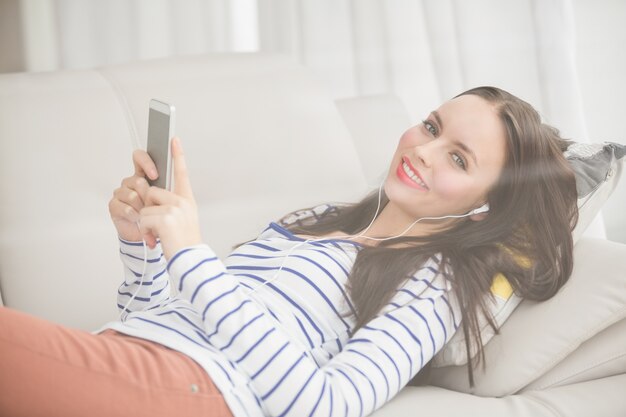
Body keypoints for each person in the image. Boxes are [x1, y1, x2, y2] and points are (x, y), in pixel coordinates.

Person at [0, 86, 578, 417]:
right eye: (431, 126)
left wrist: (192, 255)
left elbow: (321, 406)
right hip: (132, 355)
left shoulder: (437, 284)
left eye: (459, 158)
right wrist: (142, 243)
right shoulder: (316, 224)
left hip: (196, 390)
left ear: (484, 207)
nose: (425, 150)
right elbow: (157, 321)